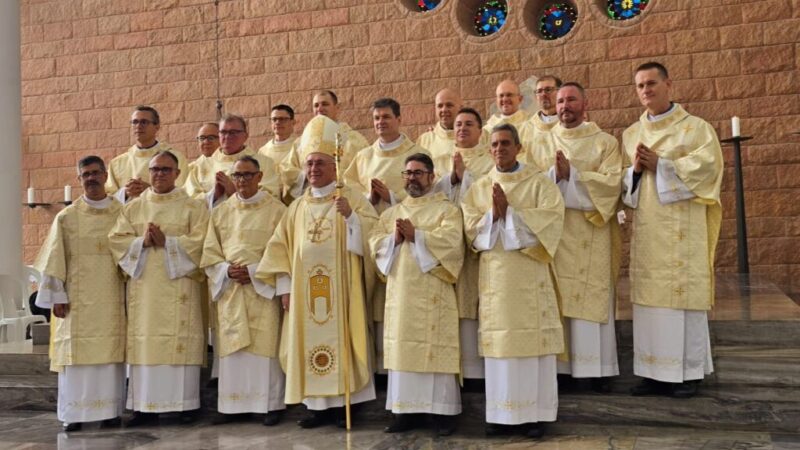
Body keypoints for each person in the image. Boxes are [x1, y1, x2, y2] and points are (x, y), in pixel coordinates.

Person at [255, 115, 378, 429]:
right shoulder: (297, 207)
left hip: (343, 291)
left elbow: (374, 236)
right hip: (304, 293)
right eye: (309, 164)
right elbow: (279, 248)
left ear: (335, 166)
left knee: (344, 339)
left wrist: (352, 219)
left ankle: (345, 405)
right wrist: (284, 287)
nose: (313, 170)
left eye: (320, 164)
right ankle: (317, 408)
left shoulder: (351, 199)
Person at [621, 62, 723, 398]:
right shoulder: (631, 134)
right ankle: (653, 372)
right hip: (650, 228)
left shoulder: (696, 128)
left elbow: (708, 169)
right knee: (651, 302)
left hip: (682, 230)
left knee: (681, 301)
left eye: (651, 83)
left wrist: (661, 165)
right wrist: (636, 170)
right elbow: (627, 191)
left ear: (669, 85)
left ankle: (689, 373)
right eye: (640, 86)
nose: (646, 90)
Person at [461, 124, 565, 439]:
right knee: (501, 349)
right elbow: (470, 232)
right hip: (495, 281)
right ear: (488, 149)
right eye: (494, 144)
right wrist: (494, 216)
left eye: (506, 143)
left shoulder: (540, 185)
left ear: (518, 147)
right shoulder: (479, 188)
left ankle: (534, 416)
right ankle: (501, 415)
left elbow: (551, 224)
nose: (499, 149)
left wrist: (510, 215)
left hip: (530, 279)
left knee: (531, 347)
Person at [528, 82, 622, 392]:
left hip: (590, 235)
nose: (565, 106)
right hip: (554, 237)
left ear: (584, 103)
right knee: (557, 302)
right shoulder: (540, 143)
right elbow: (527, 185)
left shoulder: (605, 143)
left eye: (571, 100)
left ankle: (596, 370)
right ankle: (562, 371)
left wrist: (574, 176)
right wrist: (555, 176)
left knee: (590, 301)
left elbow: (612, 186)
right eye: (560, 101)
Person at [108, 151, 209, 427]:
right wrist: (140, 243)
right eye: (154, 169)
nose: (159, 174)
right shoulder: (133, 208)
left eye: (166, 169)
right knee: (146, 342)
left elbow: (202, 242)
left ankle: (185, 405)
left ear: (178, 173)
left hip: (180, 288)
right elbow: (116, 240)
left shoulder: (193, 207)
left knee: (179, 340)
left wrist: (169, 243)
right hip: (146, 291)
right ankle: (143, 407)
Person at [369, 153, 464, 436]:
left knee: (434, 351)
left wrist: (417, 236)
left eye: (418, 173)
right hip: (401, 294)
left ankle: (441, 414)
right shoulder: (390, 214)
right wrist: (393, 241)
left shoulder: (447, 210)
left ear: (431, 176)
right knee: (402, 349)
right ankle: (404, 412)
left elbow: (452, 243)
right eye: (408, 173)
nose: (412, 178)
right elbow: (375, 242)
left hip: (434, 292)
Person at [33, 156, 126, 432]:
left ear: (106, 175)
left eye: (96, 173)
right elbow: (53, 259)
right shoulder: (67, 217)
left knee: (108, 356)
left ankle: (110, 411)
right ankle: (74, 414)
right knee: (77, 358)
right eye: (86, 174)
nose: (92, 178)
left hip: (111, 297)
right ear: (79, 179)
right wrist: (57, 295)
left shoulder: (121, 213)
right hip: (76, 302)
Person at [343, 97, 429, 373]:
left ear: (399, 119)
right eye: (377, 118)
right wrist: (369, 196)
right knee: (370, 298)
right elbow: (350, 190)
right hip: (371, 237)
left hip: (404, 238)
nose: (381, 123)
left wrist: (391, 196)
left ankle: (393, 364)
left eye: (386, 117)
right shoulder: (363, 157)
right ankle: (373, 365)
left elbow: (425, 193)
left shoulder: (415, 152)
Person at [201, 156, 288, 426]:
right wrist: (226, 271)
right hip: (231, 290)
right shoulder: (221, 211)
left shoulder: (277, 210)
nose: (242, 181)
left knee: (264, 350)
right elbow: (209, 252)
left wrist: (253, 272)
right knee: (233, 351)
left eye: (248, 175)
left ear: (260, 176)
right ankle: (232, 406)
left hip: (261, 288)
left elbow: (283, 251)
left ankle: (269, 405)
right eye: (237, 176)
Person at [433, 107, 494, 384]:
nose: (462, 128)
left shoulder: (489, 161)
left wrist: (466, 178)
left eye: (469, 124)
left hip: (476, 249)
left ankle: (476, 373)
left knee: (474, 305)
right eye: (458, 124)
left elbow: (491, 195)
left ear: (480, 131)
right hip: (447, 247)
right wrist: (452, 180)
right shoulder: (439, 159)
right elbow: (429, 199)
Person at [279, 90, 370, 200]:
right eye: (316, 105)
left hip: (344, 199)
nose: (320, 109)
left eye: (325, 104)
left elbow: (365, 172)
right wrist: (307, 174)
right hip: (311, 200)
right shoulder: (301, 142)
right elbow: (287, 169)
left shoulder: (354, 140)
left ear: (337, 108)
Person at [184, 113, 280, 209]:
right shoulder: (201, 165)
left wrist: (236, 193)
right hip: (210, 222)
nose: (227, 137)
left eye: (233, 132)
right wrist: (213, 194)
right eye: (223, 132)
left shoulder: (264, 163)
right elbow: (187, 203)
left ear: (245, 136)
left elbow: (272, 200)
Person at [105, 105, 188, 203]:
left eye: (144, 122)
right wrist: (125, 193)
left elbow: (184, 192)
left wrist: (152, 190)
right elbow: (107, 199)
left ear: (157, 126)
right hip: (128, 216)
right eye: (135, 122)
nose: (138, 126)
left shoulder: (175, 158)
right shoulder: (117, 163)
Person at [520, 75, 562, 159]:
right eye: (539, 91)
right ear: (536, 97)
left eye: (548, 90)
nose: (543, 94)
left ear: (560, 93)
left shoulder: (570, 124)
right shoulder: (526, 128)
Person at [416, 88, 463, 161]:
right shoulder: (425, 140)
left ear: (461, 108)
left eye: (449, 105)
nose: (444, 110)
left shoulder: (476, 137)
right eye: (440, 106)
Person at [258, 104, 297, 180]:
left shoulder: (300, 146)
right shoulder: (263, 152)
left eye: (282, 119)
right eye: (274, 119)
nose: (278, 122)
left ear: (293, 122)